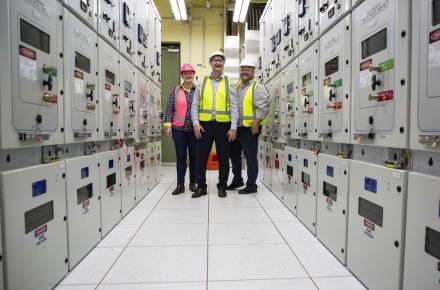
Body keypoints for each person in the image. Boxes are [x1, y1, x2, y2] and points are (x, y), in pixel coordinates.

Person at [191, 51, 239, 198]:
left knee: (224, 157)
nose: (218, 62)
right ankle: (202, 187)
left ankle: (222, 186)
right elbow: (195, 104)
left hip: (223, 126)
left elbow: (234, 106)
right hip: (204, 125)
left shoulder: (229, 83)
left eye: (221, 60)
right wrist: (195, 124)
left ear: (223, 64)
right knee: (201, 157)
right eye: (215, 60)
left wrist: (233, 127)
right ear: (211, 63)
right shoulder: (202, 82)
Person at [226, 57, 269, 194]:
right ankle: (237, 179)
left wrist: (256, 123)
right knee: (233, 155)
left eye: (247, 69)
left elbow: (264, 107)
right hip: (237, 128)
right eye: (242, 69)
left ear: (253, 71)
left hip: (250, 128)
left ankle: (251, 185)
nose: (244, 72)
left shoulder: (258, 86)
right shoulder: (237, 86)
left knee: (250, 157)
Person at [163, 64, 198, 195]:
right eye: (185, 73)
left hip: (195, 130)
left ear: (193, 74)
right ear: (182, 75)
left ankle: (193, 183)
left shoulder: (198, 90)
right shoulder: (176, 91)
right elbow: (169, 108)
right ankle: (180, 184)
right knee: (181, 157)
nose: (188, 75)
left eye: (190, 72)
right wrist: (168, 127)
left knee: (194, 157)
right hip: (179, 129)